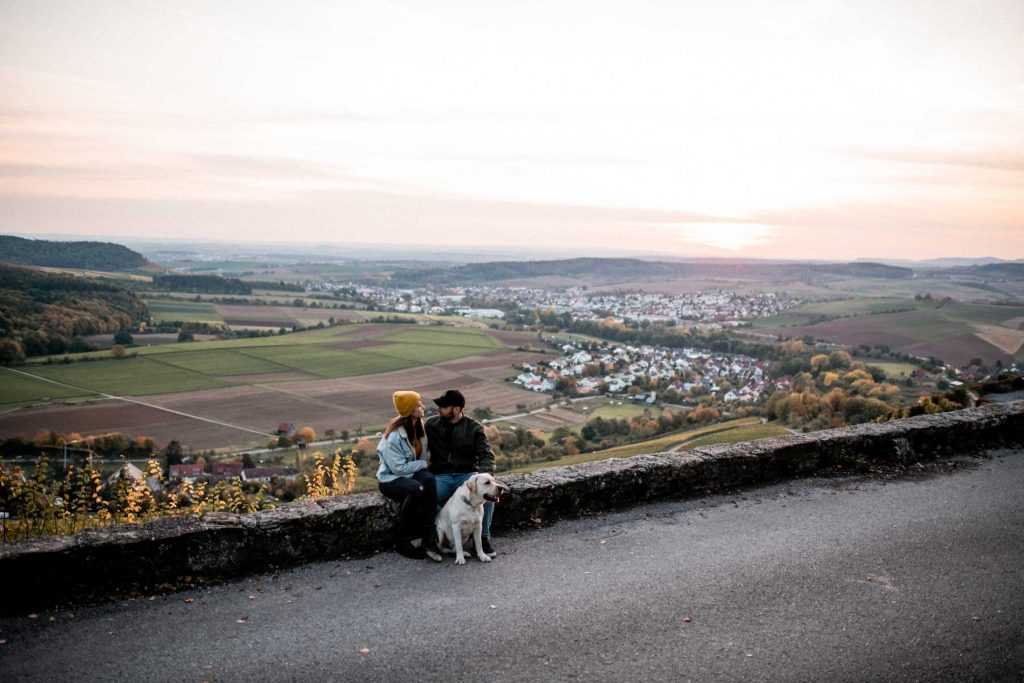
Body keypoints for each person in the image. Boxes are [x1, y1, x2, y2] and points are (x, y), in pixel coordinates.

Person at [426, 389, 498, 557]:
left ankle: (484, 538)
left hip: (467, 475)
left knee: (488, 495)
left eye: (444, 407)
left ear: (457, 409)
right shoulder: (431, 425)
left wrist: (484, 477)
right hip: (441, 476)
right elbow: (419, 448)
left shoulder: (474, 428)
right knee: (426, 498)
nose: (439, 409)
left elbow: (486, 455)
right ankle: (435, 537)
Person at [376, 390, 442, 561]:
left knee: (429, 480)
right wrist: (424, 464)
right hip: (391, 479)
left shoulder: (419, 426)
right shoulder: (394, 437)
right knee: (417, 489)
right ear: (409, 410)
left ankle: (429, 535)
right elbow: (398, 468)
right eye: (418, 405)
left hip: (411, 472)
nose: (422, 407)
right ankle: (401, 540)